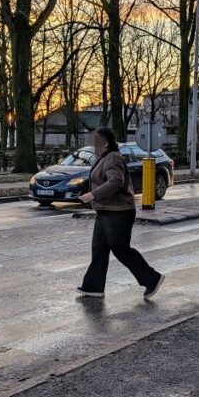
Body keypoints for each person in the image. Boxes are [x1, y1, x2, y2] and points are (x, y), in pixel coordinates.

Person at [77, 127, 164, 300]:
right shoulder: (104, 158)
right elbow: (101, 179)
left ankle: (152, 279)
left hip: (118, 213)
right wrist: (83, 187)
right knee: (99, 249)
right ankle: (93, 287)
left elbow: (116, 181)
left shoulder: (113, 158)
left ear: (106, 143)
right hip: (105, 211)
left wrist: (92, 194)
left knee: (121, 250)